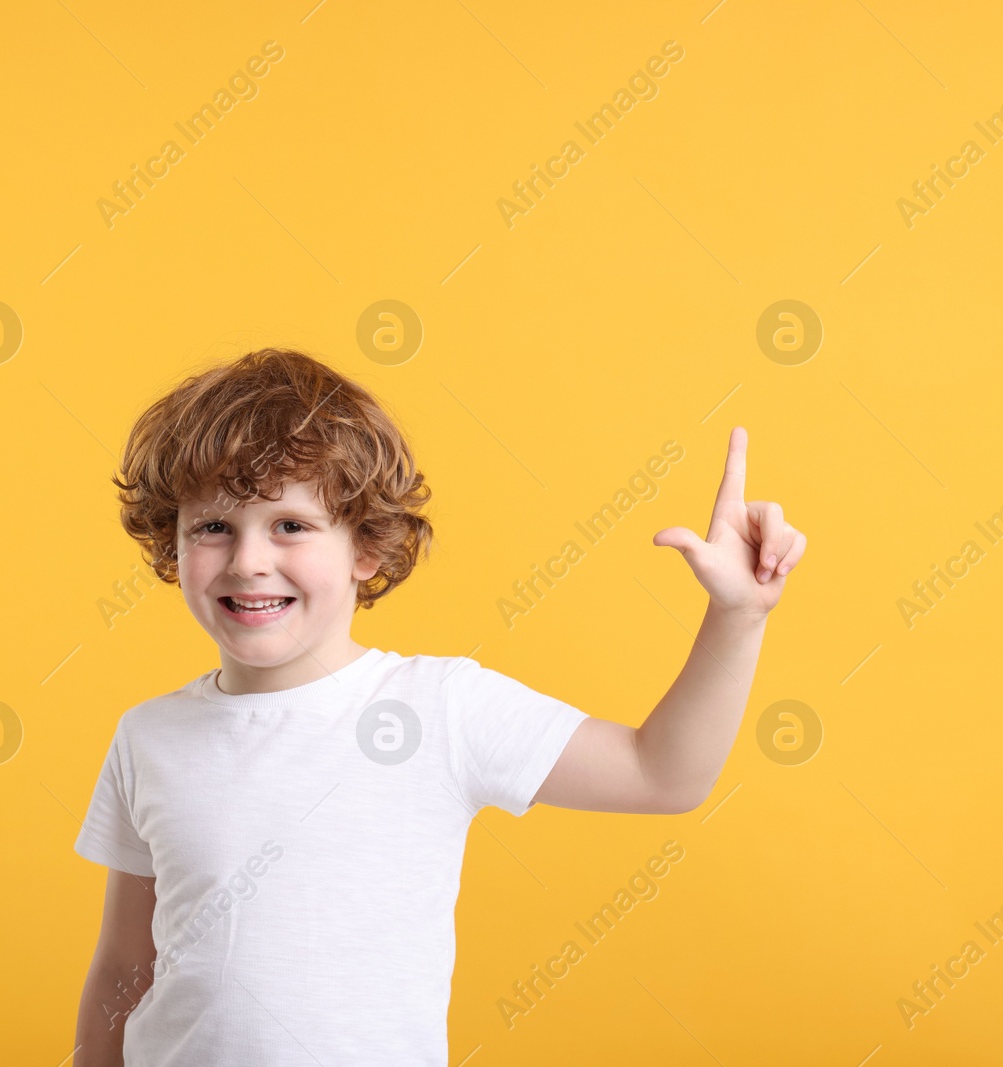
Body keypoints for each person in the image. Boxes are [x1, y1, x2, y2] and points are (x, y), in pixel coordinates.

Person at [72, 348, 806, 1065]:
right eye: (212, 527)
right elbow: (124, 967)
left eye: (289, 524)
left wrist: (738, 617)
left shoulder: (442, 706)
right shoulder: (149, 737)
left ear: (365, 546)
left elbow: (662, 775)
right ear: (171, 543)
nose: (248, 560)